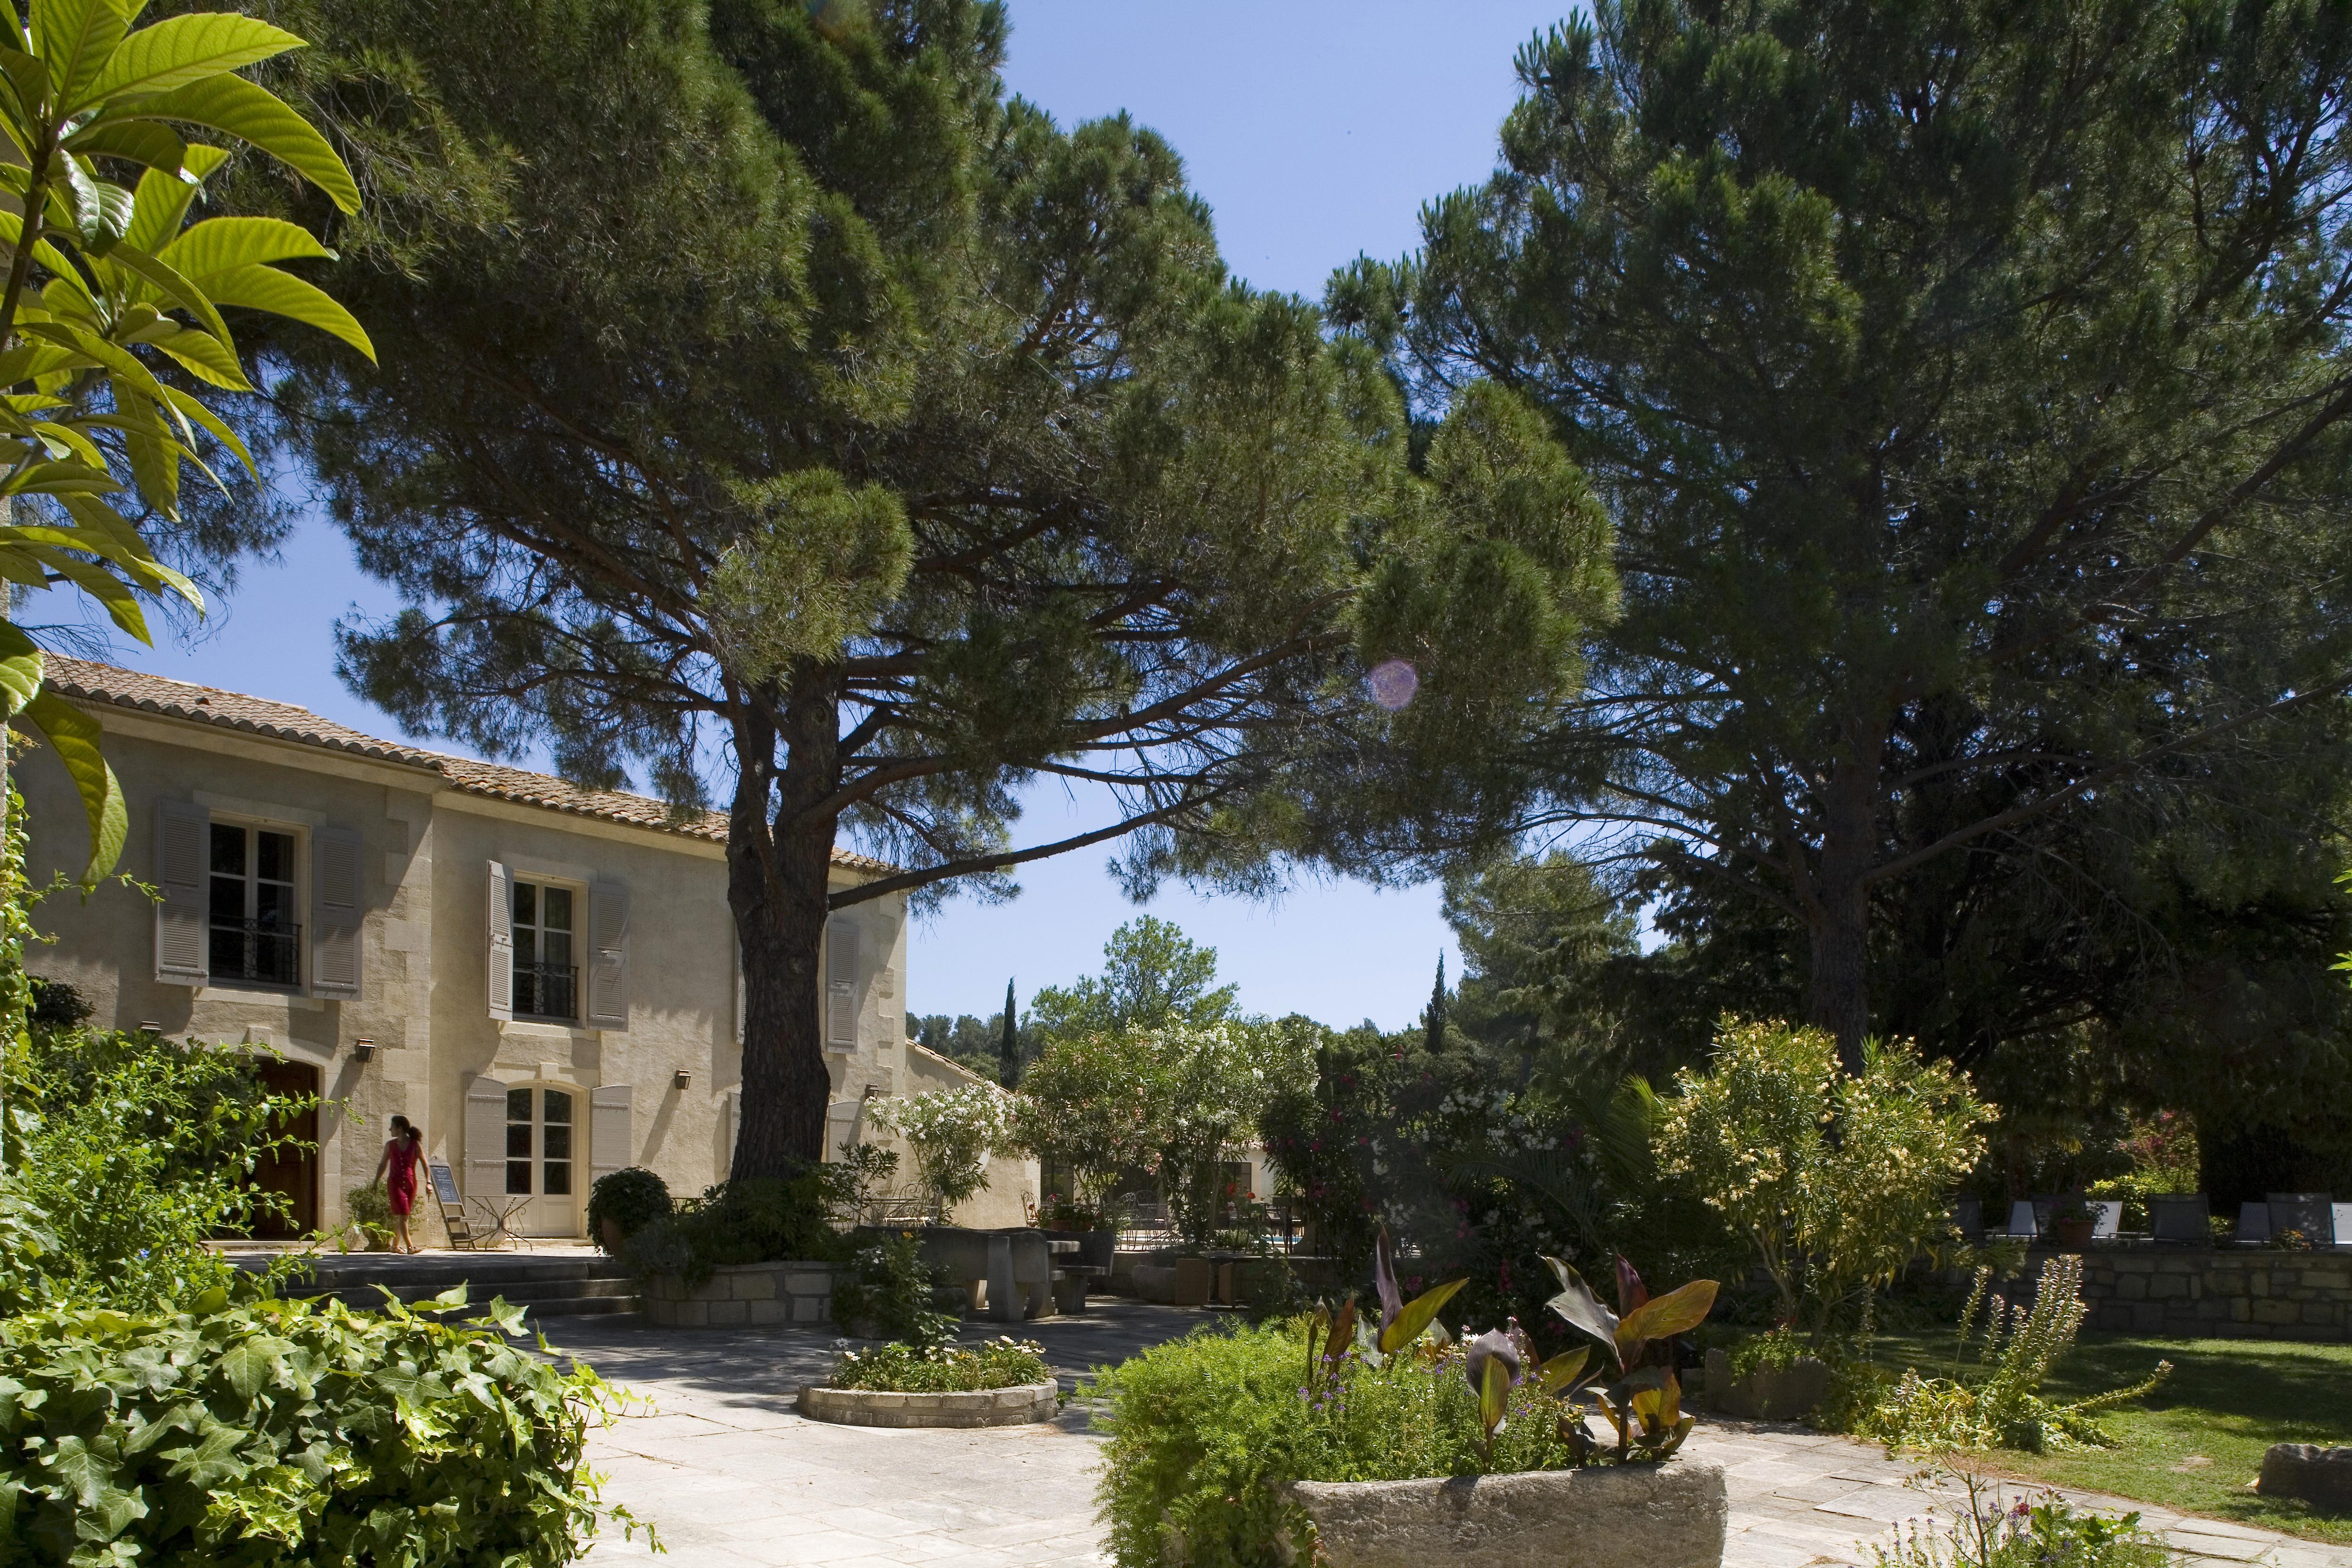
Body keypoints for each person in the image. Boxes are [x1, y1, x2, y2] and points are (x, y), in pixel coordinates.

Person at [373, 1114, 426, 1254]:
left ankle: (394, 1246)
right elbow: (383, 1164)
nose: (390, 1129)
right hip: (395, 1183)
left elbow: (425, 1164)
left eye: (392, 1126)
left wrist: (429, 1183)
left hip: (410, 1183)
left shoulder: (415, 1145)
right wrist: (376, 1182)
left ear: (400, 1128)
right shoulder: (390, 1145)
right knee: (403, 1214)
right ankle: (410, 1247)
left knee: (404, 1216)